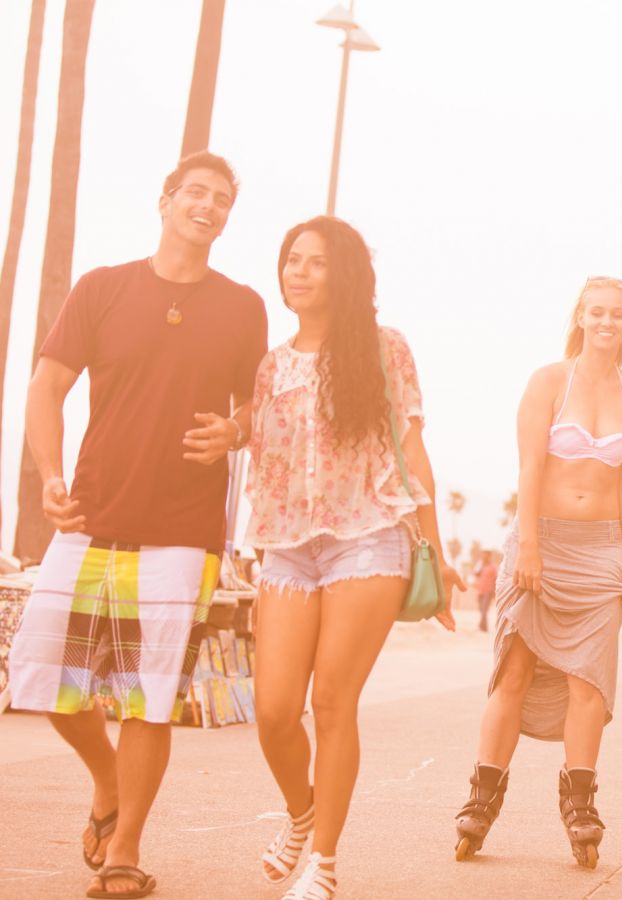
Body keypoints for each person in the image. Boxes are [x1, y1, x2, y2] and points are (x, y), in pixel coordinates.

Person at [8, 152, 267, 900]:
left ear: (226, 216)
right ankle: (107, 779)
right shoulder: (103, 289)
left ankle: (125, 851)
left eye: (221, 198)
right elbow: (47, 388)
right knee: (46, 678)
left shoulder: (242, 305)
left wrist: (235, 432)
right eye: (196, 192)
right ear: (165, 200)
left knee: (149, 695)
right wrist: (51, 477)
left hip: (184, 528)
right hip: (89, 513)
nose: (208, 206)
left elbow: (257, 407)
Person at [247, 216, 461, 900]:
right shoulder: (272, 365)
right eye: (291, 260)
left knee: (333, 701)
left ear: (344, 274)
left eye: (313, 262)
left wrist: (434, 544)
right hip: (285, 544)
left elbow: (413, 446)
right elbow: (264, 456)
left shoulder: (384, 347)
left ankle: (326, 863)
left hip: (367, 535)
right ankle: (302, 813)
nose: (298, 271)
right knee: (275, 709)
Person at [453, 276, 622, 869]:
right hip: (542, 540)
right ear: (580, 317)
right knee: (515, 666)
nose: (606, 322)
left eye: (617, 314)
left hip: (601, 552)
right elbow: (530, 467)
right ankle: (482, 796)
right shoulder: (547, 381)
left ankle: (581, 802)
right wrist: (531, 543)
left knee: (587, 680)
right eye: (596, 312)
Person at [474, 551, 500, 632]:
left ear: (489, 556)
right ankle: (482, 625)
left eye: (486, 555)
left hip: (488, 592)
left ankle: (484, 627)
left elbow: (497, 579)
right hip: (480, 591)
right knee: (481, 610)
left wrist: (494, 592)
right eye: (483, 555)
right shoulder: (481, 566)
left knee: (484, 610)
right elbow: (476, 574)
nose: (484, 557)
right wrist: (480, 565)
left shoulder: (493, 567)